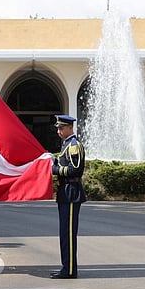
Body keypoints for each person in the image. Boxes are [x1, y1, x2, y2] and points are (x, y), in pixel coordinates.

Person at [50, 114, 87, 279]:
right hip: (65, 192)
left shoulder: (73, 145)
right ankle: (67, 267)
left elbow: (75, 170)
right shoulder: (66, 144)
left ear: (70, 128)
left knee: (68, 234)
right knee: (64, 233)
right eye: (58, 128)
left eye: (62, 127)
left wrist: (55, 169)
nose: (59, 131)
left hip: (71, 192)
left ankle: (70, 270)